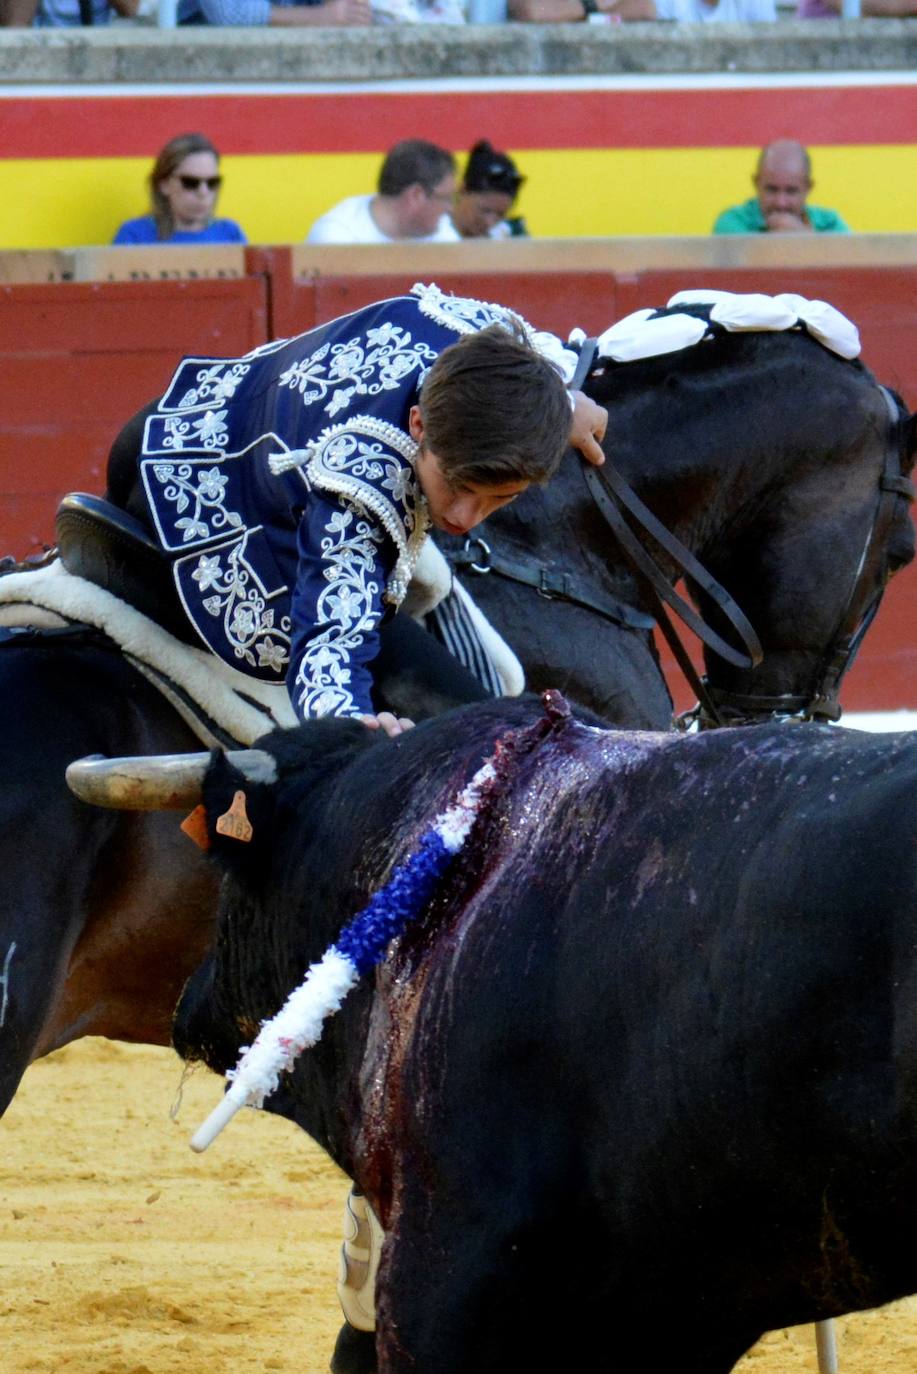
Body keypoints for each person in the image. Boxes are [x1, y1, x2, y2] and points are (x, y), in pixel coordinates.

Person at [99, 283, 608, 738]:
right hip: (186, 504)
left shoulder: (473, 338)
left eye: (501, 498)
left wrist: (562, 404)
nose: (466, 517)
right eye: (457, 484)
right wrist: (350, 725)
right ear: (417, 426)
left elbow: (531, 350)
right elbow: (331, 639)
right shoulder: (365, 480)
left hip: (189, 412)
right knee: (476, 731)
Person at [306, 140, 459, 246]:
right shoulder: (336, 237)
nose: (450, 208)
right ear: (416, 195)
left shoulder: (440, 230)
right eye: (446, 198)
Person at [112, 133, 247, 246]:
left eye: (212, 182)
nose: (203, 192)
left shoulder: (230, 234)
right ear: (164, 184)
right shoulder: (135, 236)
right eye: (190, 182)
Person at [713, 140, 849, 235]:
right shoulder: (733, 222)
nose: (780, 203)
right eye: (771, 190)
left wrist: (800, 236)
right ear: (756, 183)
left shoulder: (829, 223)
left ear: (808, 188)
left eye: (791, 191)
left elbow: (853, 265)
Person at [450, 141, 528, 240]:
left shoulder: (511, 238)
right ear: (462, 191)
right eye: (485, 210)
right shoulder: (431, 234)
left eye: (500, 215)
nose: (489, 222)